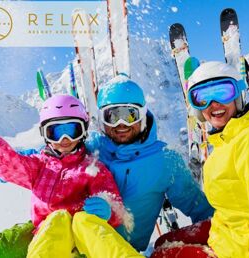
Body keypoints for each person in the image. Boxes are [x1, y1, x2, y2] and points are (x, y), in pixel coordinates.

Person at [0, 95, 142, 258]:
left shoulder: (93, 169)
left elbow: (116, 204)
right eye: (56, 132)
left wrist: (108, 210)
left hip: (82, 239)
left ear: (83, 131)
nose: (64, 139)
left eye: (72, 130)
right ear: (45, 134)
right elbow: (10, 166)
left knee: (67, 219)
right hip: (43, 233)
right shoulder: (39, 166)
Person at [164, 61, 249, 258]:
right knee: (163, 242)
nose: (214, 104)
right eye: (202, 98)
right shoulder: (227, 138)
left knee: (162, 254)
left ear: (238, 95)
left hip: (243, 249)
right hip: (227, 233)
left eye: (223, 92)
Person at [88, 74, 214, 252]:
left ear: (143, 115)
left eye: (130, 115)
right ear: (102, 118)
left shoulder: (165, 161)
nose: (121, 124)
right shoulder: (91, 149)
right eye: (112, 116)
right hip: (82, 246)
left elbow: (199, 208)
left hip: (127, 253)